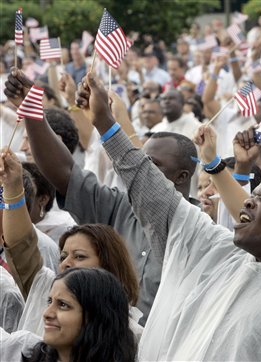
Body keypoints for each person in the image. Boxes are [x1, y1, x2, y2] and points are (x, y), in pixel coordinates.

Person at [75, 72, 261, 361]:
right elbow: (155, 193)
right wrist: (105, 123)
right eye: (251, 198)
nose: (247, 205)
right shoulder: (220, 254)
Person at [4, 66, 200, 326]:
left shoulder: (201, 229)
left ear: (182, 177)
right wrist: (32, 112)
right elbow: (65, 174)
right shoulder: (118, 206)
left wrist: (104, 120)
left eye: (151, 164)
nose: (140, 170)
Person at [1, 147, 142, 339]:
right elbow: (21, 246)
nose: (66, 263)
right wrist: (13, 186)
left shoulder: (131, 335)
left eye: (79, 256)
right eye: (63, 256)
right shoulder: (45, 289)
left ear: (109, 265)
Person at [1, 268, 137, 362]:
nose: (47, 313)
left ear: (96, 316)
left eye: (63, 305)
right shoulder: (22, 351)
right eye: (49, 302)